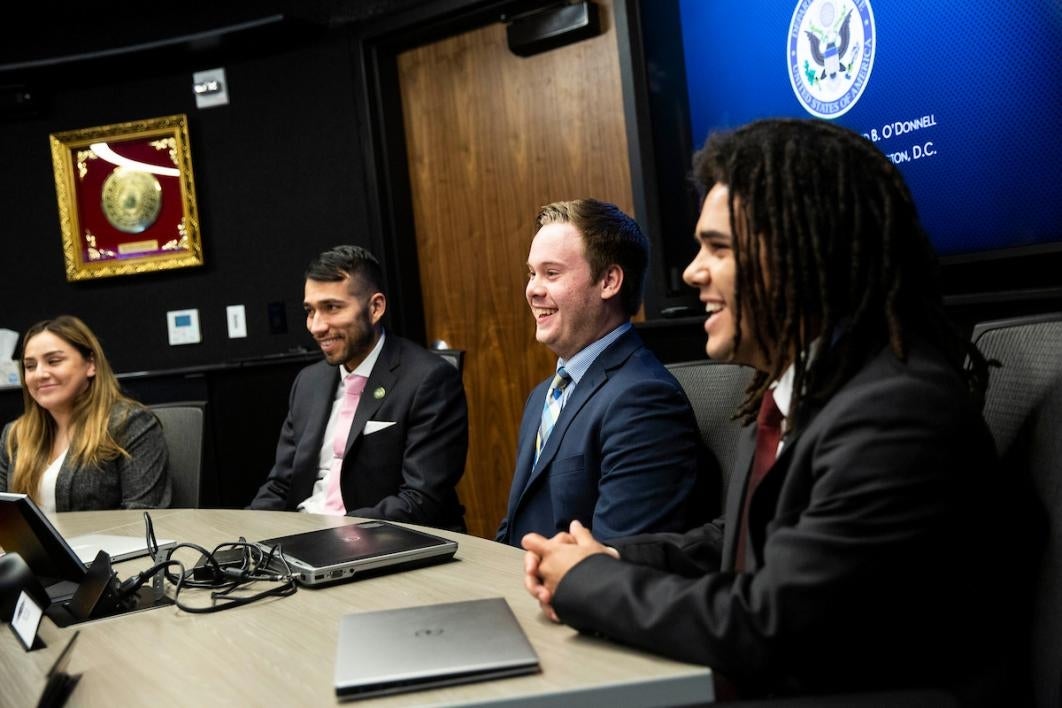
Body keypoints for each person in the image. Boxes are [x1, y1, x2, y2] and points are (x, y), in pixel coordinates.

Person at [521, 119, 1014, 703]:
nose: (690, 272)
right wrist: (617, 555)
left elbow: (770, 627)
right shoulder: (812, 389)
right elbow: (742, 538)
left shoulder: (896, 412)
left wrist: (593, 583)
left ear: (803, 252)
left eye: (719, 248)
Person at [496, 199, 714, 546]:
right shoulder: (542, 396)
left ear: (609, 281)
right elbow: (515, 529)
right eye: (531, 273)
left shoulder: (644, 398)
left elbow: (619, 560)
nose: (533, 290)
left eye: (551, 273)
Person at [249, 245, 468, 531]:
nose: (316, 326)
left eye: (331, 308)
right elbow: (281, 486)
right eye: (310, 311)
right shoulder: (308, 382)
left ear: (375, 308)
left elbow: (420, 500)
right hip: (303, 538)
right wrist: (242, 536)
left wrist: (333, 533)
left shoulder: (430, 380)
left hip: (382, 541)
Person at [0, 316, 171, 511]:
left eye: (54, 361)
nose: (40, 374)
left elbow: (143, 516)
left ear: (91, 364)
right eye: (30, 366)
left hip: (109, 542)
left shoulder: (129, 424)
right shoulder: (15, 435)